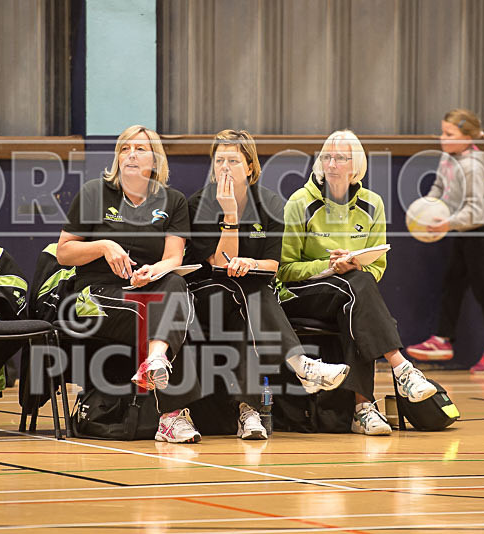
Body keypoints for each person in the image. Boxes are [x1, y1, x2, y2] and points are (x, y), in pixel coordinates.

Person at [187, 129, 349, 440]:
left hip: (249, 294)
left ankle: (250, 412)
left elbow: (272, 266)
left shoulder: (271, 203)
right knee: (242, 292)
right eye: (219, 160)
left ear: (249, 166)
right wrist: (230, 214)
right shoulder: (200, 204)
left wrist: (251, 264)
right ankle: (300, 366)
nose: (224, 167)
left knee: (253, 293)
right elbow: (220, 264)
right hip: (206, 295)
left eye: (232, 160)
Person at [278, 130, 437, 436]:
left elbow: (377, 266)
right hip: (303, 291)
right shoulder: (300, 202)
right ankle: (398, 372)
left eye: (341, 158)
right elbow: (284, 269)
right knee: (358, 288)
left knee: (357, 295)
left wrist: (350, 265)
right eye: (327, 157)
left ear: (356, 166)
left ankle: (362, 410)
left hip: (348, 291)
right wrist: (327, 266)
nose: (332, 163)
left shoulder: (372, 204)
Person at [57, 125, 202, 443]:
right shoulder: (95, 193)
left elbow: (174, 257)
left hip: (140, 290)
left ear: (156, 159)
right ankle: (171, 416)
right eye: (125, 148)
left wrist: (153, 272)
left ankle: (157, 360)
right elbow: (63, 253)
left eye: (140, 148)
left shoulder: (173, 201)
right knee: (161, 313)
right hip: (88, 296)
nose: (131, 154)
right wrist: (103, 245)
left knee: (176, 290)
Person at [407, 109, 484, 374]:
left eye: (449, 134)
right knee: (453, 284)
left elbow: (476, 210)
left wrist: (447, 223)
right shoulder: (448, 158)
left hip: (481, 233)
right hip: (464, 233)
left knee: (483, 289)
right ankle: (442, 340)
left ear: (468, 138)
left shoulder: (474, 166)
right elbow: (439, 189)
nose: (442, 138)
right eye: (442, 132)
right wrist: (426, 208)